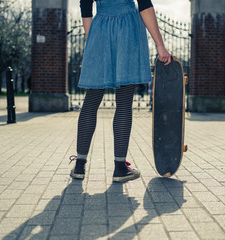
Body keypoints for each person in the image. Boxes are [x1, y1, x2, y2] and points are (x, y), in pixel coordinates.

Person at [69, 0, 171, 182]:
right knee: (124, 102)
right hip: (128, 30)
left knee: (91, 100)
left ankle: (79, 165)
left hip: (100, 29)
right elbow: (145, 5)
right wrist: (160, 44)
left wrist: (92, 40)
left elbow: (85, 5)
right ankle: (119, 168)